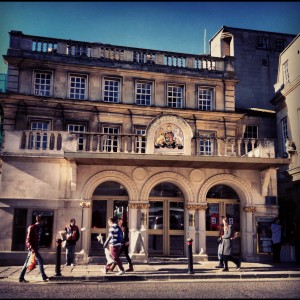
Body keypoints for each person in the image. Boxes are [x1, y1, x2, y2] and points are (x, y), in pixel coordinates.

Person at [19, 214, 50, 283]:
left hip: (35, 248)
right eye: (43, 221)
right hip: (33, 248)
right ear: (40, 220)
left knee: (26, 262)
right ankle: (44, 277)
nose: (44, 222)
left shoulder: (39, 228)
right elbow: (28, 239)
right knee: (40, 261)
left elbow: (38, 238)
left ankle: (21, 277)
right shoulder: (32, 227)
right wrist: (31, 248)